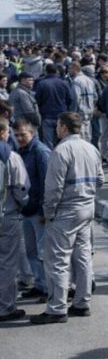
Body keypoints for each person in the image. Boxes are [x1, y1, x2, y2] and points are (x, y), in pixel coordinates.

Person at [31, 112, 104, 324]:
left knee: (58, 260)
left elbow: (53, 187)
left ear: (63, 127)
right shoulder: (91, 148)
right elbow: (99, 179)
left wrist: (49, 211)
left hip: (66, 210)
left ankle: (57, 308)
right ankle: (82, 303)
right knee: (83, 256)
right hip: (86, 207)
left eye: (58, 126)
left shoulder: (61, 150)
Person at [13, 119, 51, 302]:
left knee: (44, 253)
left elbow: (47, 182)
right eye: (17, 135)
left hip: (39, 211)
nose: (19, 138)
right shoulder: (21, 151)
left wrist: (45, 210)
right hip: (27, 210)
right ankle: (40, 284)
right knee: (31, 251)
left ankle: (49, 288)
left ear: (32, 133)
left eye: (23, 134)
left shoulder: (40, 152)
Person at [0, 117, 30, 322]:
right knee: (8, 262)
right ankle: (6, 306)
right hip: (7, 215)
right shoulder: (10, 156)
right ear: (4, 133)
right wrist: (23, 206)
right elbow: (22, 189)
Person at [34, 63, 73, 147]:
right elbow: (70, 99)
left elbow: (37, 100)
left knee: (48, 142)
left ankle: (49, 159)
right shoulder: (64, 83)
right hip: (62, 115)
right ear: (57, 72)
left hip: (46, 115)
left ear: (46, 72)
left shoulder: (41, 83)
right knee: (62, 140)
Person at [69, 61, 98, 142]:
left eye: (70, 69)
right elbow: (95, 97)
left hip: (79, 113)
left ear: (75, 68)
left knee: (80, 138)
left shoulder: (76, 81)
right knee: (88, 136)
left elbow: (75, 98)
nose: (68, 71)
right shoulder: (89, 80)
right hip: (89, 113)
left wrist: (73, 113)